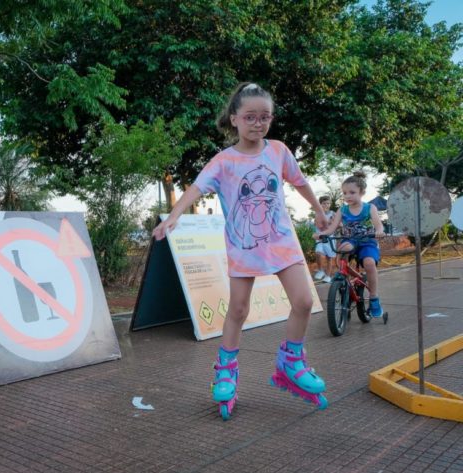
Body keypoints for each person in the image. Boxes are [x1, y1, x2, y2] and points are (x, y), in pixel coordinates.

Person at [153, 82, 329, 419]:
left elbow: (300, 181)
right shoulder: (224, 160)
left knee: (304, 302)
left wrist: (319, 212)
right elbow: (196, 188)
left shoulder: (278, 150)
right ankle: (226, 368)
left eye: (265, 117)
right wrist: (173, 217)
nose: (258, 123)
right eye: (250, 117)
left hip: (281, 242)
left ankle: (291, 362)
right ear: (234, 119)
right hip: (244, 245)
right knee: (238, 309)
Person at [316, 171, 385, 317]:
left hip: (368, 241)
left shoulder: (369, 208)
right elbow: (332, 228)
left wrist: (379, 231)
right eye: (345, 193)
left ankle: (374, 297)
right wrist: (322, 234)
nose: (347, 196)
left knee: (369, 263)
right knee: (343, 249)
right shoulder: (343, 210)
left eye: (352, 192)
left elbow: (379, 225)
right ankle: (342, 281)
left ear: (362, 192)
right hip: (350, 240)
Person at [313, 196, 336, 283]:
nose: (326, 205)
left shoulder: (333, 214)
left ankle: (328, 276)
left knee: (329, 257)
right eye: (324, 203)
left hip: (330, 237)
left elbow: (338, 225)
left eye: (328, 203)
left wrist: (333, 223)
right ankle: (320, 270)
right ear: (320, 204)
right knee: (318, 252)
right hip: (320, 237)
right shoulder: (318, 213)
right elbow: (318, 225)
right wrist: (328, 223)